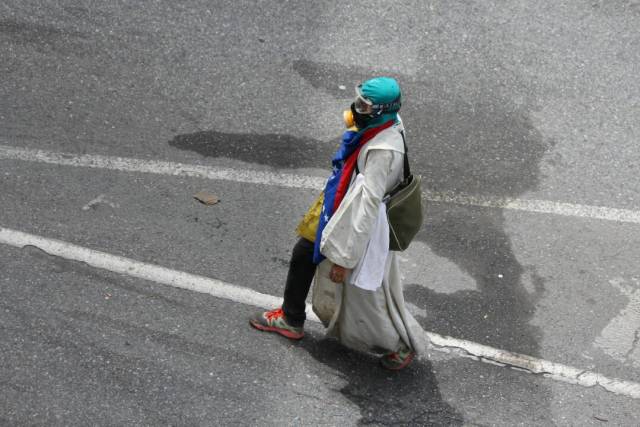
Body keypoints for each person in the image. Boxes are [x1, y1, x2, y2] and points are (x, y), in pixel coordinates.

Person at [250, 77, 426, 370]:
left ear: (380, 112)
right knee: (304, 251)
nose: (356, 109)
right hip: (342, 201)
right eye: (358, 102)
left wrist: (345, 258)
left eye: (364, 106)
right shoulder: (387, 122)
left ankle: (398, 345)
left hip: (358, 220)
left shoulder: (383, 152)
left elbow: (367, 206)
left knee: (368, 295)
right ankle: (291, 317)